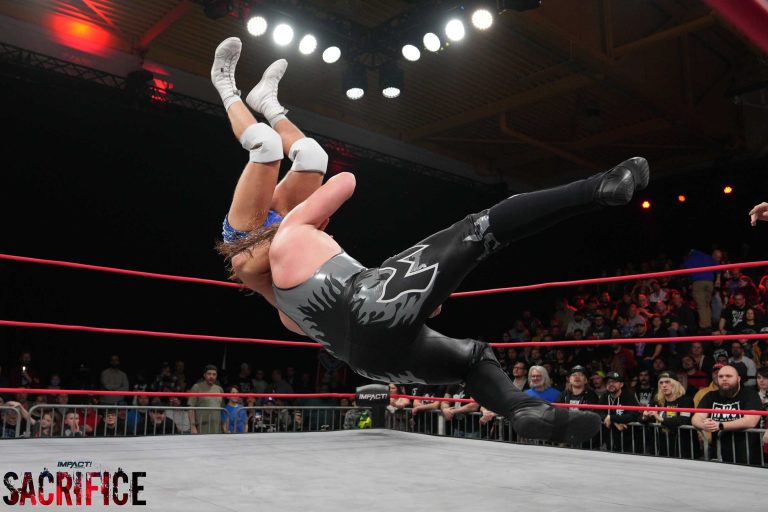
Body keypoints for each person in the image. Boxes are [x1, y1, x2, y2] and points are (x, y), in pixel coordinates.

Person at [245, 154, 649, 444]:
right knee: (480, 228)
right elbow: (344, 181)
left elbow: (357, 325)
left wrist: (416, 306)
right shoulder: (290, 230)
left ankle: (523, 408)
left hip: (371, 363)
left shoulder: (285, 312)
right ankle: (600, 186)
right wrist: (302, 209)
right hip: (371, 299)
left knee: (472, 358)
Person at [211, 37, 328, 299]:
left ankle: (224, 85)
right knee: (314, 157)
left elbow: (248, 270)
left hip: (247, 240)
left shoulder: (291, 304)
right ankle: (268, 104)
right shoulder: (334, 292)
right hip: (287, 226)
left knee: (266, 144)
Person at [692, 364, 763, 465]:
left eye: (729, 376)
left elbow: (751, 420)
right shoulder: (710, 396)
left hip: (747, 456)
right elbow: (696, 418)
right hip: (719, 455)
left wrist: (721, 425)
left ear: (738, 379)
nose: (724, 379)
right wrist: (704, 425)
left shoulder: (750, 395)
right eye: (721, 376)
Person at [641, 372, 696, 459]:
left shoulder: (686, 400)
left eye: (667, 382)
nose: (664, 385)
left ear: (676, 384)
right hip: (661, 446)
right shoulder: (657, 401)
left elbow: (683, 420)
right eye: (661, 383)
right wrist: (645, 416)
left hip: (681, 447)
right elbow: (640, 418)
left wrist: (661, 419)